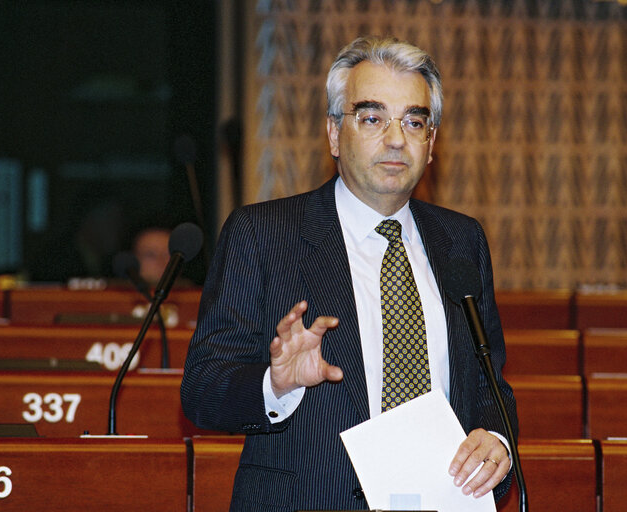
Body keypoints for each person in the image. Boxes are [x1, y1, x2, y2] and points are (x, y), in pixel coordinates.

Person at [181, 36, 518, 511]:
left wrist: (497, 441)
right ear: (335, 134)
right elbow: (201, 389)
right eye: (373, 118)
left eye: (414, 121)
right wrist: (276, 384)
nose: (397, 138)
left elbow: (489, 383)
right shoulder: (262, 234)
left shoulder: (461, 241)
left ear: (432, 141)